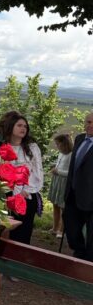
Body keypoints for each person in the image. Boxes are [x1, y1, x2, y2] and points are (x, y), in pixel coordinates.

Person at [0, 111, 43, 246]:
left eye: (25, 126)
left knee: (21, 237)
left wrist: (24, 192)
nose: (23, 128)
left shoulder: (32, 148)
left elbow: (38, 173)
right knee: (3, 233)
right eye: (19, 125)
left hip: (26, 197)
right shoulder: (1, 147)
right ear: (10, 127)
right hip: (4, 196)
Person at [63, 112, 93, 261]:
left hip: (91, 198)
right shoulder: (79, 139)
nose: (90, 125)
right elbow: (73, 168)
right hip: (73, 194)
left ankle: (88, 267)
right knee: (71, 227)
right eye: (88, 122)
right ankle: (79, 252)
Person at [48, 133, 72, 238]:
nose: (57, 146)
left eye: (58, 144)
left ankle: (61, 231)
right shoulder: (61, 153)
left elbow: (70, 172)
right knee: (55, 205)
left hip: (64, 182)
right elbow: (59, 165)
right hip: (56, 180)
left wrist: (58, 171)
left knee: (63, 206)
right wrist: (55, 169)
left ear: (64, 144)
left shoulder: (71, 154)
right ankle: (55, 228)